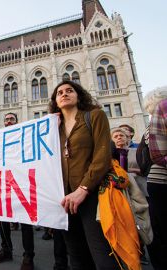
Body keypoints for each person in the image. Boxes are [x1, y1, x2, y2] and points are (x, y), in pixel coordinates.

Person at [49, 81, 120, 269]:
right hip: (65, 199)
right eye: (60, 93)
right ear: (56, 101)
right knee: (77, 257)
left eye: (69, 91)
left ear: (78, 95)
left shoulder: (94, 116)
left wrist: (83, 189)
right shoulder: (52, 129)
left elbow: (103, 156)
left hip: (92, 195)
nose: (64, 94)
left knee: (102, 255)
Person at [0, 112, 36, 270]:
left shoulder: (25, 137)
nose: (9, 122)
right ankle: (6, 249)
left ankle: (28, 255)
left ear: (17, 122)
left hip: (22, 183)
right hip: (4, 183)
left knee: (25, 220)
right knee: (3, 218)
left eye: (12, 119)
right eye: (7, 120)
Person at [143, 87, 167, 270]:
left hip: (155, 183)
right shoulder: (153, 124)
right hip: (160, 182)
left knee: (157, 228)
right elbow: (157, 154)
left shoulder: (148, 128)